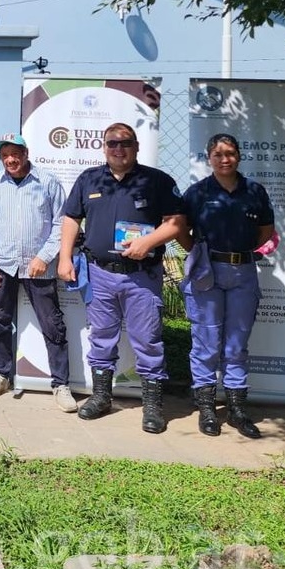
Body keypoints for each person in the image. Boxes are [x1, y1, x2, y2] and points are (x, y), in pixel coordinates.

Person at [58, 122, 185, 433]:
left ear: (136, 146)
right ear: (104, 147)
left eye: (125, 143)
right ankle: (102, 396)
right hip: (100, 274)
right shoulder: (90, 179)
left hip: (141, 277)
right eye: (112, 143)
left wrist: (148, 241)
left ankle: (153, 405)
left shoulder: (157, 181)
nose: (118, 149)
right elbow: (72, 218)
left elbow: (177, 223)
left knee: (148, 340)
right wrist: (64, 257)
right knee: (101, 337)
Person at [177, 133, 275, 439]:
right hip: (208, 270)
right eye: (218, 154)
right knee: (206, 341)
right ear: (209, 158)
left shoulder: (254, 191)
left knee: (236, 343)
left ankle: (236, 409)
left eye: (230, 153)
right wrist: (200, 252)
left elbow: (266, 232)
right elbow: (180, 229)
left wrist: (242, 252)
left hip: (243, 271)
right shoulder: (197, 193)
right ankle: (207, 409)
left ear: (238, 156)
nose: (224, 159)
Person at [0, 134, 77, 412]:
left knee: (52, 324)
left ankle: (61, 384)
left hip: (38, 267)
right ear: (0, 158)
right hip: (2, 265)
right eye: (5, 155)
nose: (11, 159)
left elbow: (62, 224)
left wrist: (45, 257)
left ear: (26, 152)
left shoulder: (47, 182)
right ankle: (1, 374)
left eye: (15, 153)